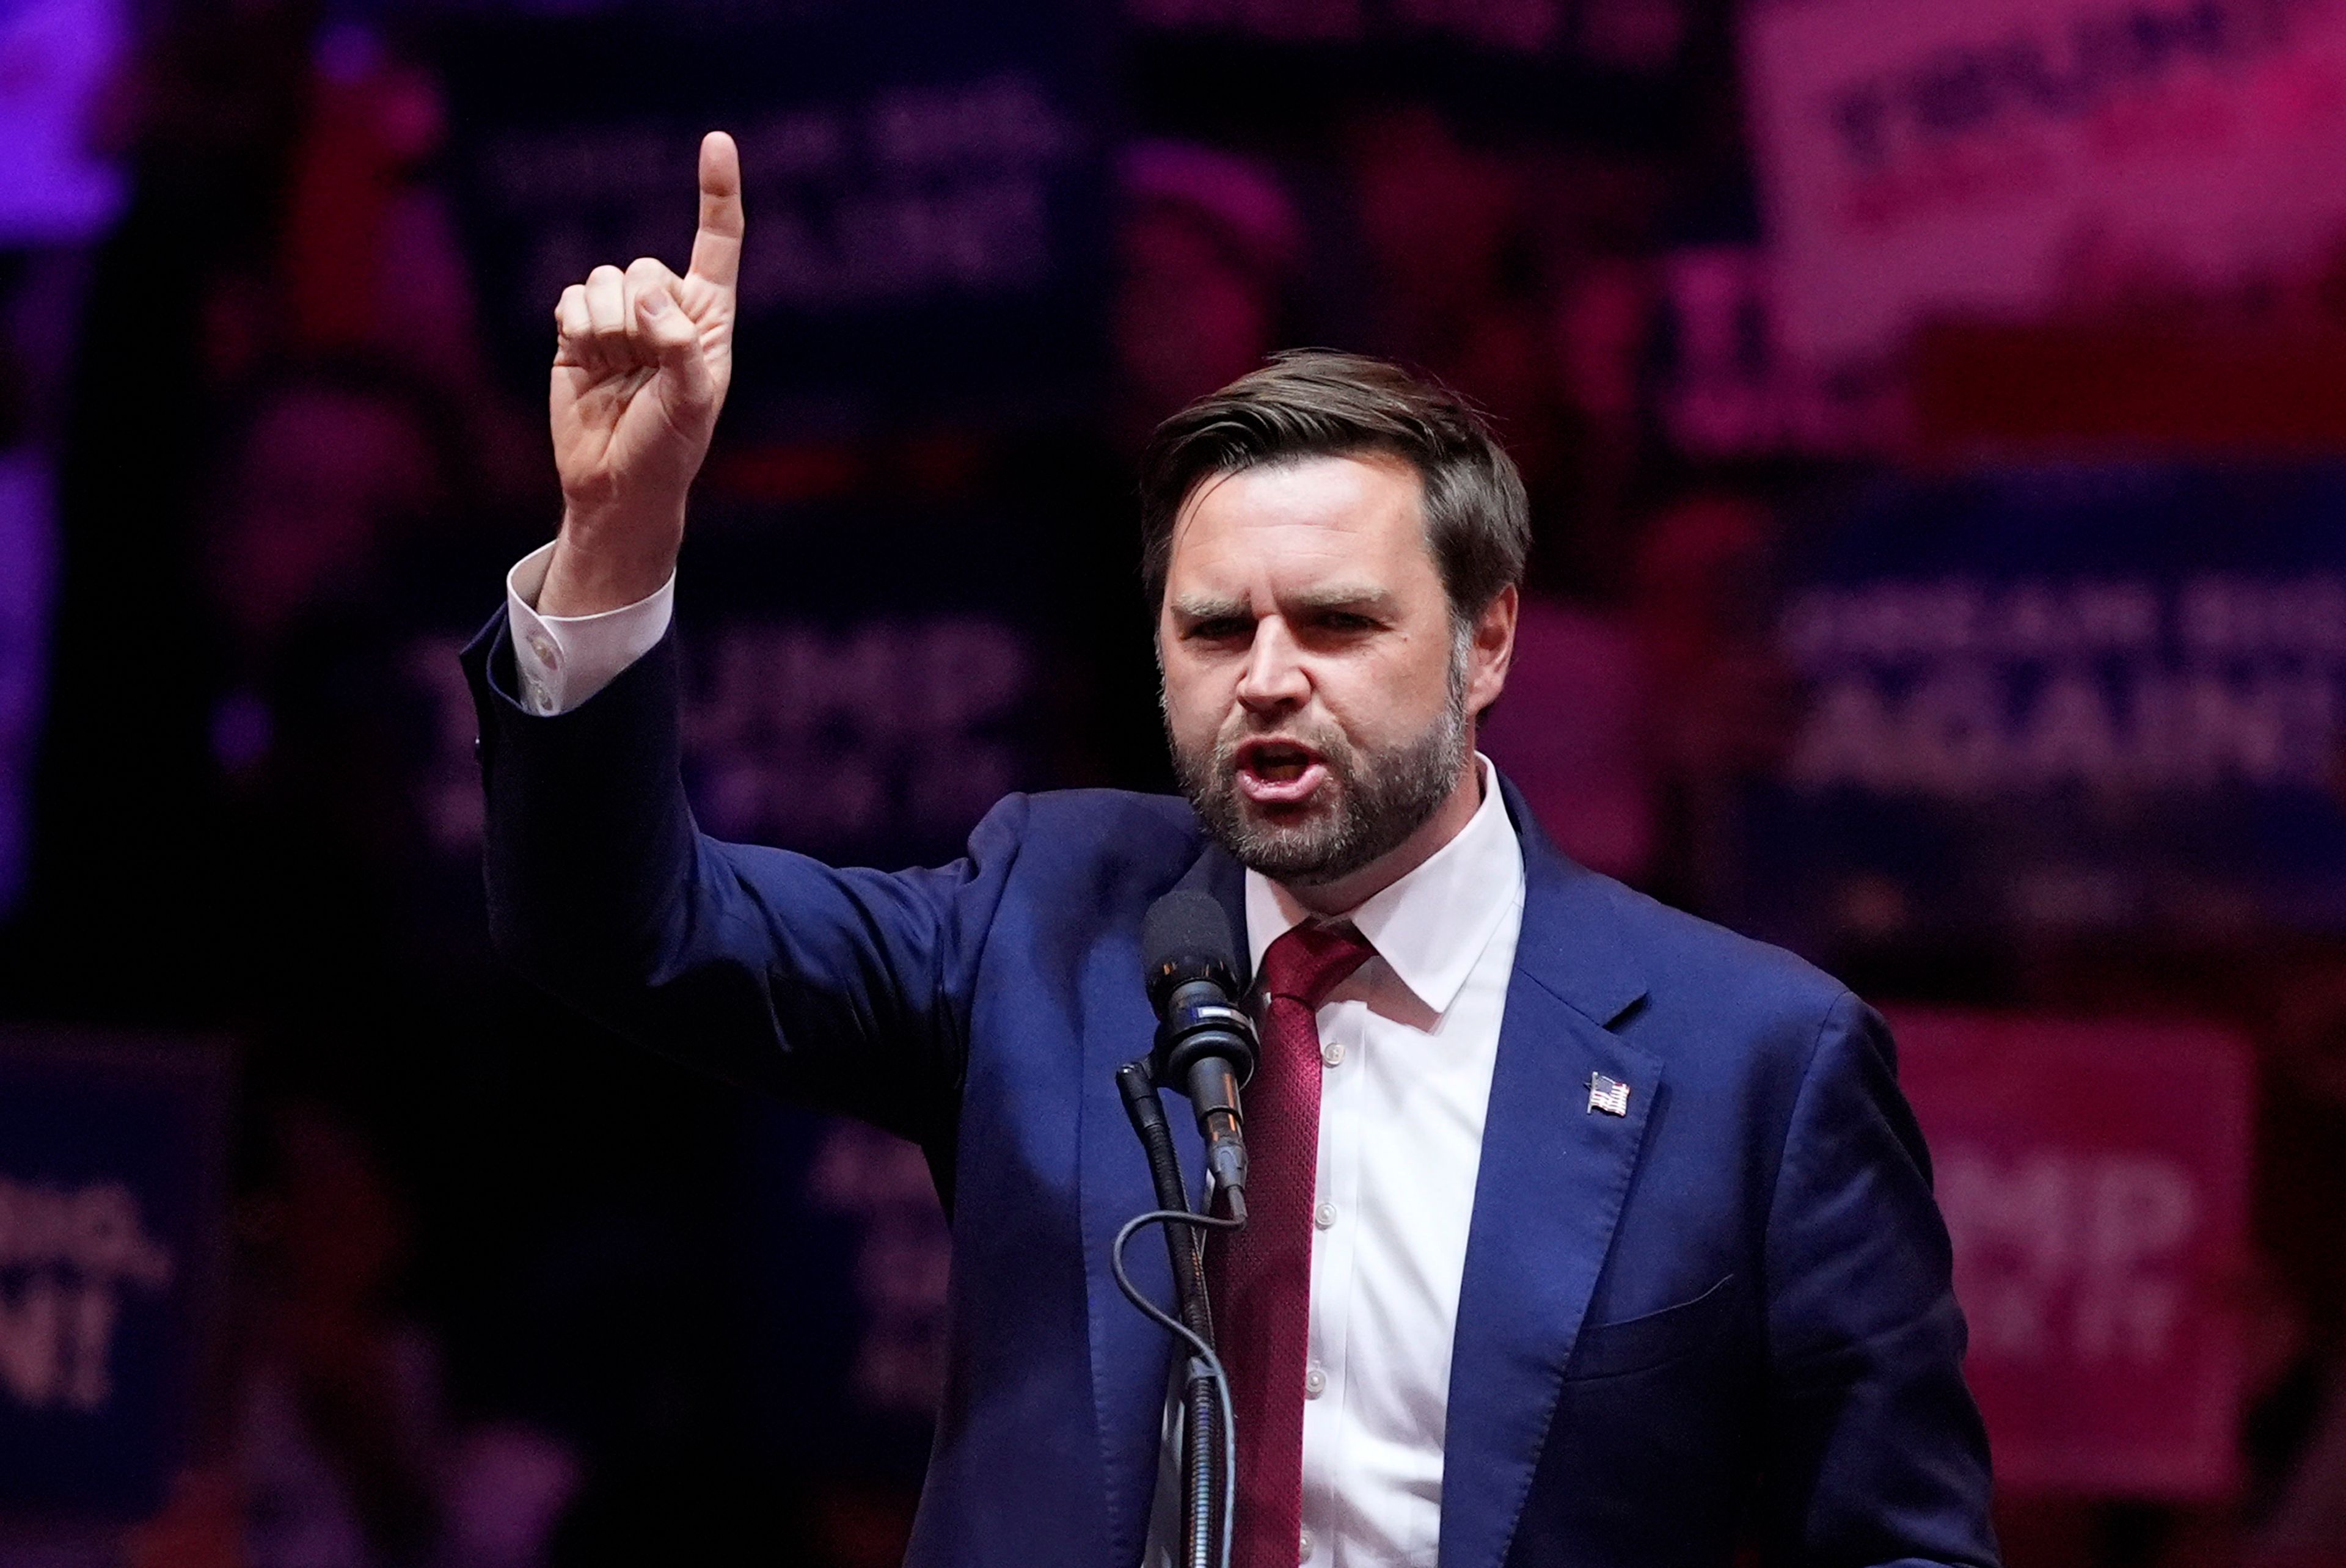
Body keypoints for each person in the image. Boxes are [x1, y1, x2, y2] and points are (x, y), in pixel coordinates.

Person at [460, 131, 1998, 1568]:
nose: (1267, 673)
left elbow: (1901, 1545)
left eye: (1337, 621)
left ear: (1489, 641)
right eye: (1214, 628)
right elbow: (626, 929)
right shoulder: (1036, 922)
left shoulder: (1756, 1062)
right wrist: (620, 532)